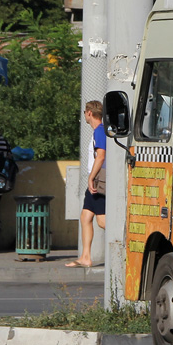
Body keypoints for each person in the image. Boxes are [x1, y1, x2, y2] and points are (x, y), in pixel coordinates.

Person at [68, 100, 107, 268]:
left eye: (85, 112)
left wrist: (91, 177)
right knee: (86, 217)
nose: (84, 114)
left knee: (103, 221)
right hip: (95, 179)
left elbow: (101, 156)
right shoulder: (99, 131)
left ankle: (127, 242)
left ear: (89, 113)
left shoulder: (100, 131)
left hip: (99, 180)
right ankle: (85, 256)